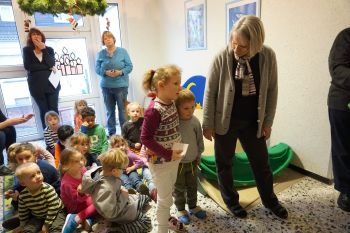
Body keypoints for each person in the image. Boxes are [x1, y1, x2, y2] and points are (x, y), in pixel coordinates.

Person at [202, 15, 288, 219]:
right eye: (234, 43)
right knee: (224, 163)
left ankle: (270, 201)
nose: (236, 49)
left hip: (253, 122)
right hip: (226, 121)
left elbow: (272, 90)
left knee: (262, 163)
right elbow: (209, 92)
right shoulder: (222, 57)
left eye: (242, 46)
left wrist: (268, 122)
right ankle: (232, 201)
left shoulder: (267, 56)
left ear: (256, 43)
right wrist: (208, 123)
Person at [141, 65, 186, 233]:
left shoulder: (171, 101)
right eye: (176, 83)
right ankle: (162, 228)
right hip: (160, 162)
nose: (180, 87)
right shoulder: (153, 110)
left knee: (168, 192)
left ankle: (166, 217)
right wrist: (168, 154)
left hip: (173, 158)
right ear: (161, 85)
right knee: (165, 200)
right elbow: (145, 138)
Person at [81, 148, 152, 232]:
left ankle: (135, 206)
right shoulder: (106, 189)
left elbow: (114, 186)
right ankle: (118, 229)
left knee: (145, 198)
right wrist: (124, 197)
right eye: (123, 169)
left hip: (121, 199)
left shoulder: (103, 171)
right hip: (119, 212)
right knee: (146, 222)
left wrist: (121, 190)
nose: (124, 171)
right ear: (114, 171)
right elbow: (111, 213)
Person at [173, 89, 206, 224]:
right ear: (177, 107)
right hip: (178, 163)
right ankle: (181, 208)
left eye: (192, 107)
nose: (190, 110)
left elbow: (199, 139)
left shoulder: (195, 121)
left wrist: (199, 154)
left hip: (192, 161)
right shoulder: (174, 122)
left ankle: (193, 206)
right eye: (186, 108)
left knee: (192, 185)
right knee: (179, 187)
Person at [328, 27, 350, 212]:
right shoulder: (346, 36)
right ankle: (346, 191)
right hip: (343, 102)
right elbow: (337, 69)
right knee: (342, 148)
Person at [95, 31, 133, 136]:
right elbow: (97, 68)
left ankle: (125, 134)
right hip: (106, 87)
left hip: (121, 86)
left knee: (122, 111)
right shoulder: (101, 54)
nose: (108, 40)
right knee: (110, 111)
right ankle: (112, 133)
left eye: (109, 37)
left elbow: (130, 66)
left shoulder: (123, 51)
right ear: (103, 41)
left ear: (113, 39)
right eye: (105, 38)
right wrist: (105, 72)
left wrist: (120, 72)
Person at [22, 27, 60, 129]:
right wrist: (46, 67)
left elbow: (52, 63)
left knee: (54, 109)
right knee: (44, 110)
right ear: (30, 38)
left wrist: (43, 49)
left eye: (38, 34)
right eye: (33, 34)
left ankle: (58, 134)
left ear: (42, 36)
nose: (36, 36)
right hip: (36, 86)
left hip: (52, 84)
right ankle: (48, 137)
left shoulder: (49, 49)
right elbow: (28, 66)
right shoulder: (27, 50)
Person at [13, 162, 65, 233]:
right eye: (32, 176)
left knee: (56, 229)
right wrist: (22, 225)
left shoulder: (48, 189)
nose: (38, 176)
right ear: (23, 183)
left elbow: (53, 208)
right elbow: (23, 211)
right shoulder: (23, 195)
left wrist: (46, 224)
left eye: (39, 172)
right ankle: (18, 222)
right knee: (28, 230)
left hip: (57, 212)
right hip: (39, 216)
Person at [59, 148, 96, 233]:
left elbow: (89, 181)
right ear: (66, 166)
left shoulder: (82, 169)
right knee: (98, 203)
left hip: (85, 198)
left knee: (101, 200)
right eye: (76, 161)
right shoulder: (66, 183)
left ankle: (87, 220)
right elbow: (76, 200)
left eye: (81, 159)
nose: (81, 163)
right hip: (75, 206)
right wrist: (80, 193)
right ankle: (74, 219)